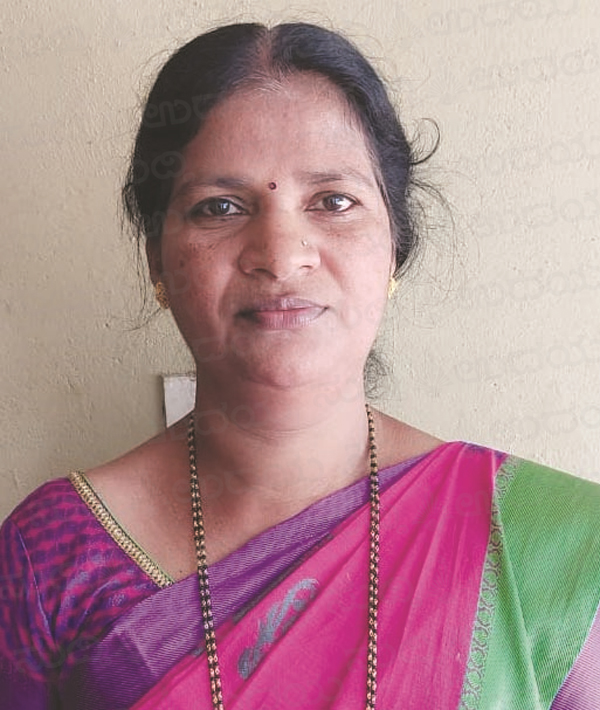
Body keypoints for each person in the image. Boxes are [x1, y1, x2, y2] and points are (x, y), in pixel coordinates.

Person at [1, 22, 599, 710]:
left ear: (395, 248)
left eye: (333, 201)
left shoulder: (553, 550)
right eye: (220, 207)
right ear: (156, 261)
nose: (282, 255)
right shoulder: (51, 559)